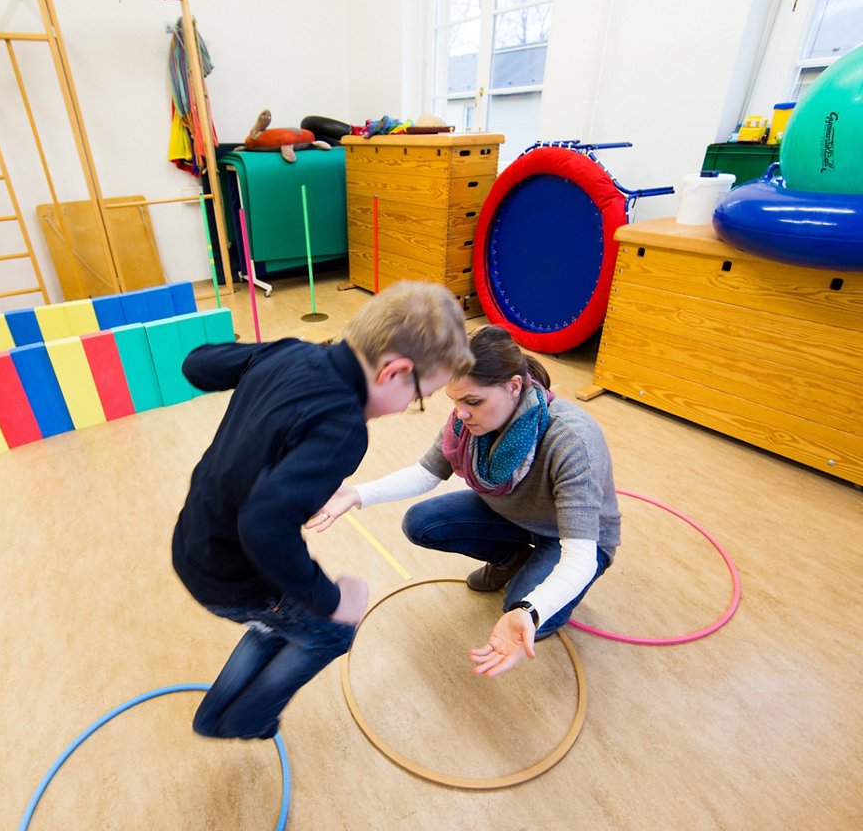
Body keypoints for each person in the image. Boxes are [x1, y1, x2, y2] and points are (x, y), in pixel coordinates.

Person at [172, 281, 473, 739]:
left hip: (194, 542)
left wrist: (265, 360)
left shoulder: (290, 351)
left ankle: (215, 714)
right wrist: (332, 599)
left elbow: (196, 364)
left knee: (282, 617)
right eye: (418, 399)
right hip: (235, 572)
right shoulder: (343, 429)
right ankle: (243, 719)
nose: (409, 408)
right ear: (394, 371)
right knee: (331, 630)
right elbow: (264, 525)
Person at [309, 324, 621, 678]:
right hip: (514, 514)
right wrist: (356, 493)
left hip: (573, 537)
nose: (460, 413)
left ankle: (529, 577)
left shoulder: (571, 440)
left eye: (472, 401)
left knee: (518, 608)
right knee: (421, 523)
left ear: (514, 386)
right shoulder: (465, 421)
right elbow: (427, 473)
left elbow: (579, 554)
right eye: (454, 400)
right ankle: (512, 557)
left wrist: (530, 610)